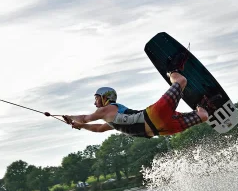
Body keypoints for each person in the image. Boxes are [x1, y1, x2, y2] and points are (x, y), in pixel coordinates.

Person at [64, 52, 209, 138]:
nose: (95, 103)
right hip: (160, 127)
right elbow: (98, 129)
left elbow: (85, 119)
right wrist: (79, 126)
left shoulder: (107, 110)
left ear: (105, 97)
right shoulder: (112, 120)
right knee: (203, 115)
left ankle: (171, 70)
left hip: (154, 119)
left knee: (181, 81)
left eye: (96, 99)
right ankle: (202, 104)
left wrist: (71, 118)